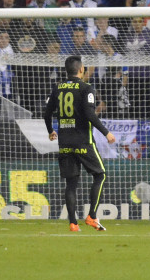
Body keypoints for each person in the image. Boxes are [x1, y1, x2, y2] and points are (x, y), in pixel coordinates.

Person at [44, 55, 117, 232]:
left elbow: (46, 113)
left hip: (65, 142)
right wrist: (106, 132)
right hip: (83, 141)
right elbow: (90, 114)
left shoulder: (57, 89)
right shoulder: (87, 88)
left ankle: (73, 223)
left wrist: (50, 131)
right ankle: (92, 216)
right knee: (100, 175)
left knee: (71, 183)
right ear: (81, 69)